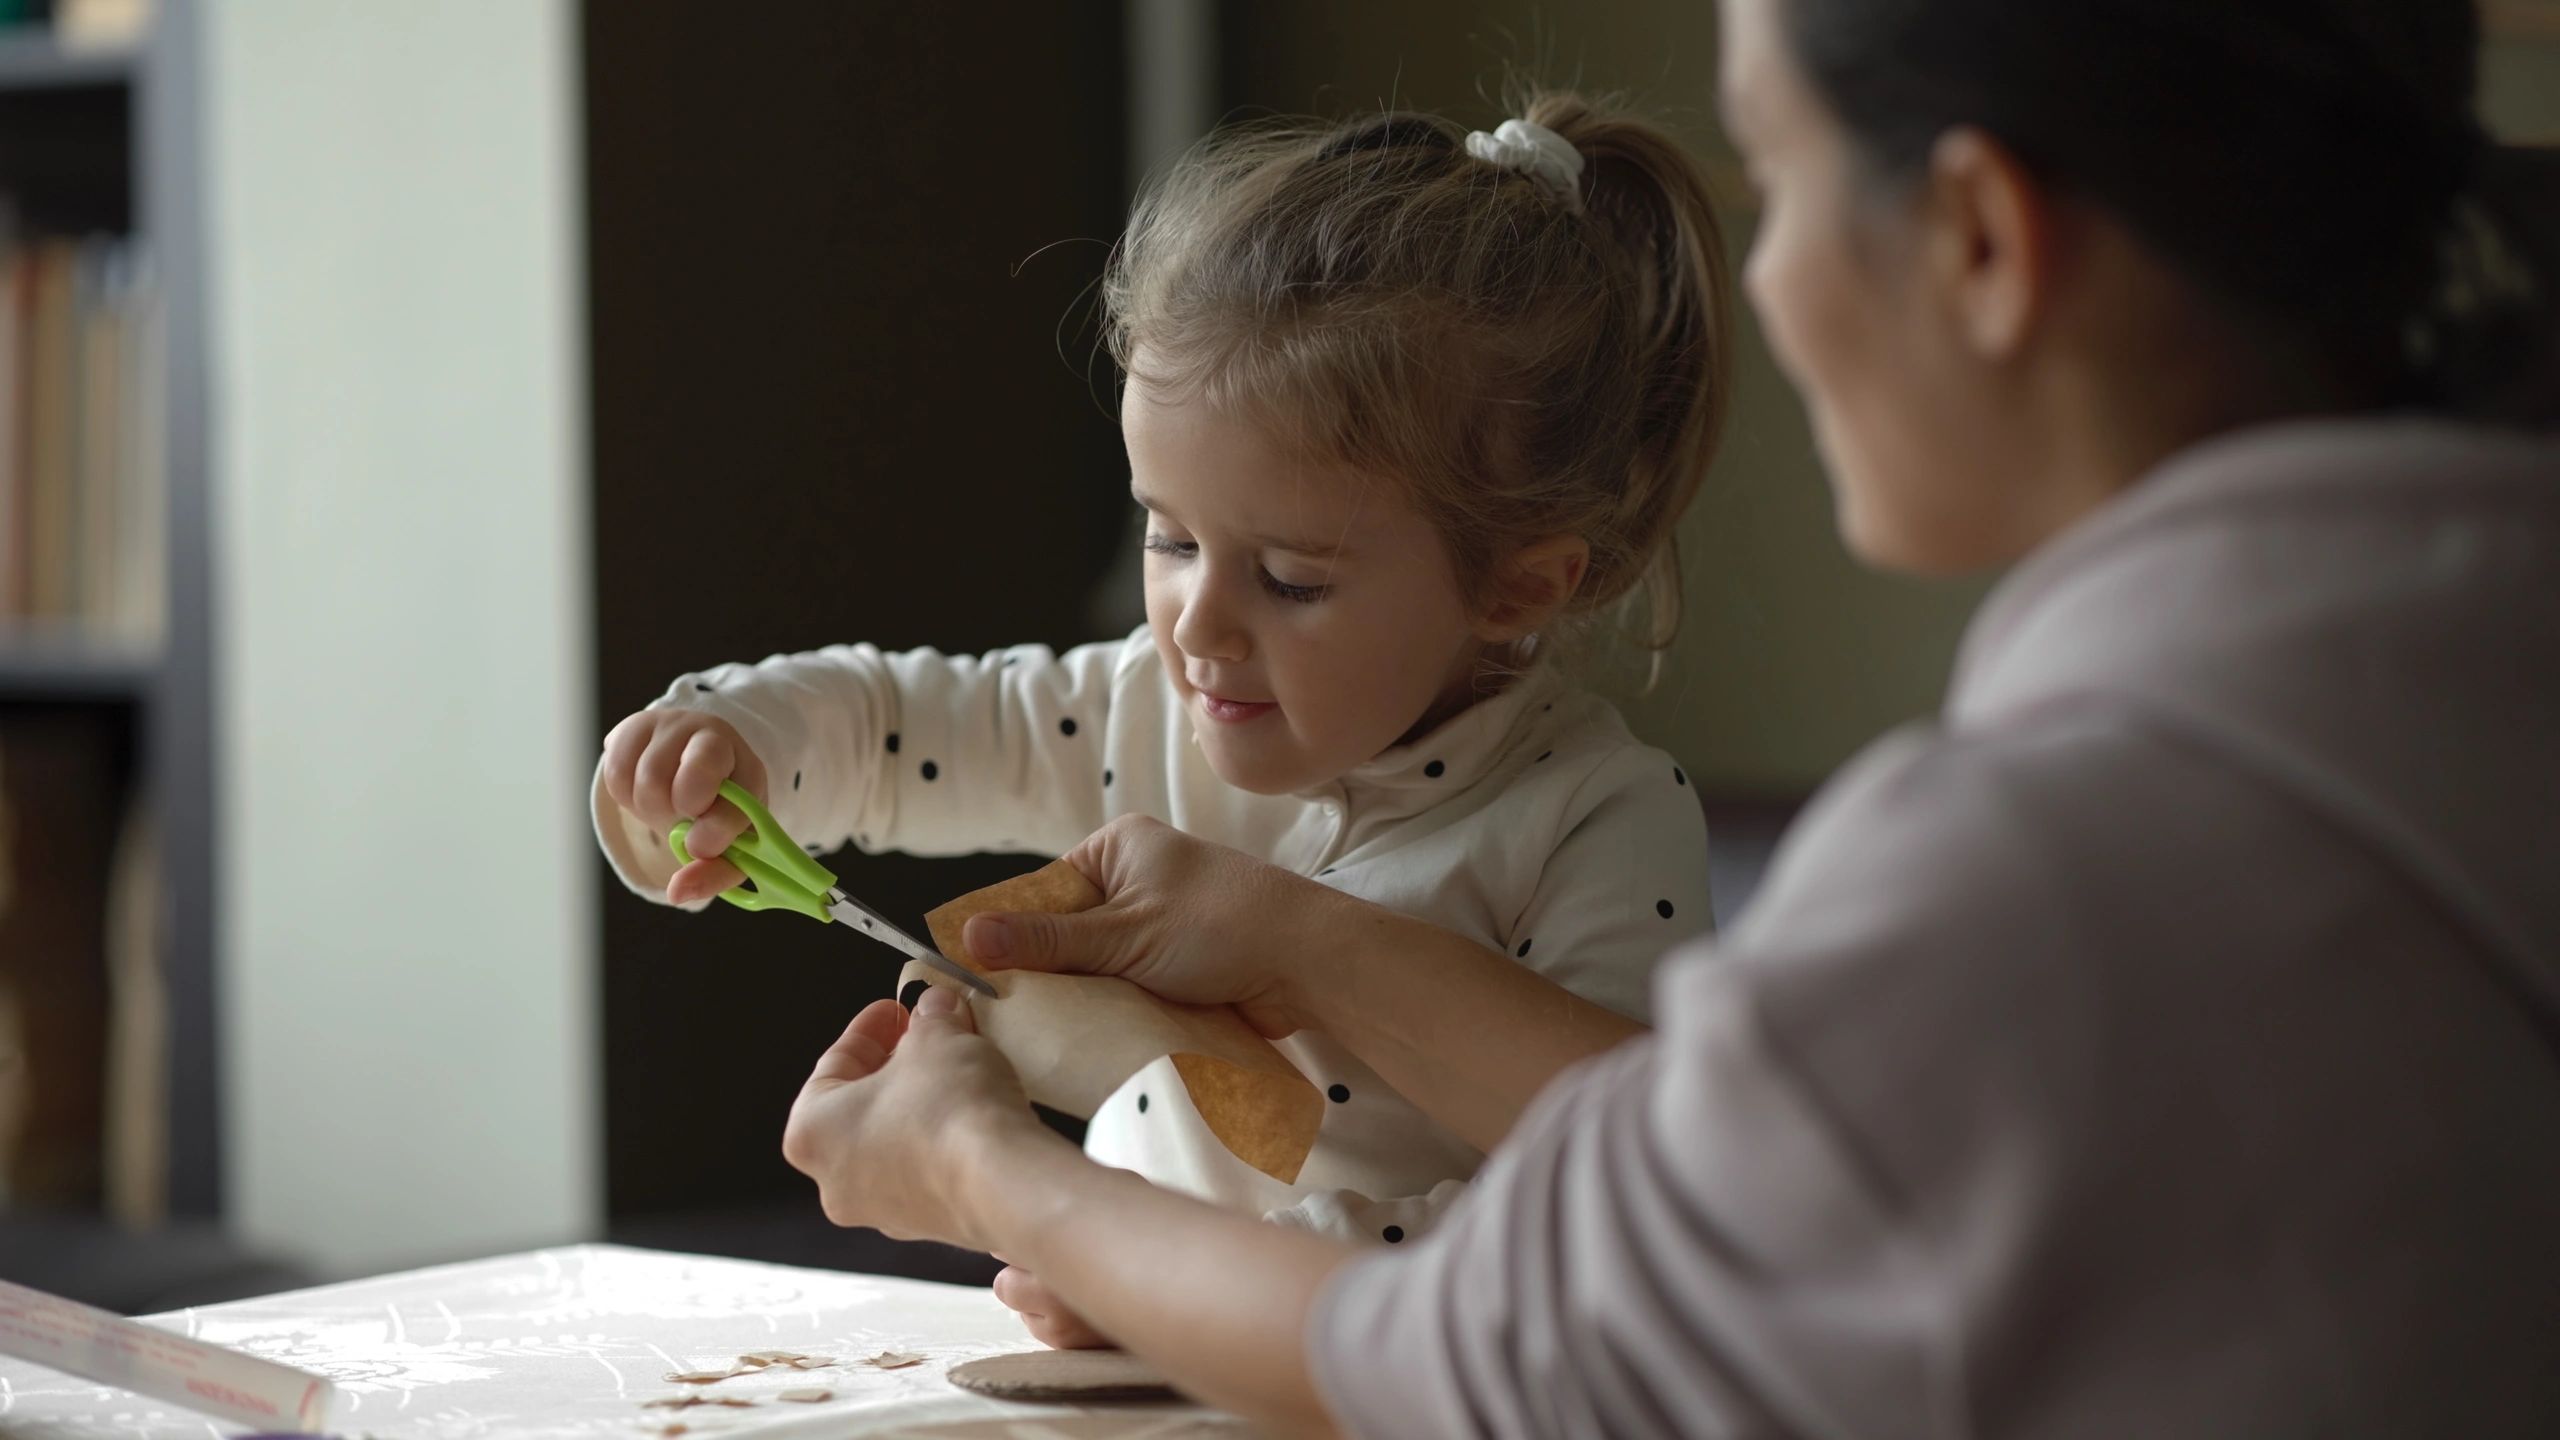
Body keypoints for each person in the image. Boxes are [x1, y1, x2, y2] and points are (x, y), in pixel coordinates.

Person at [774, 0, 2560, 1434]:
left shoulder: (2033, 874)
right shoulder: (2469, 694)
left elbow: (1487, 1371)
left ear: (1981, 239)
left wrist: (982, 1171)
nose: (1761, 291)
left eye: (1773, 184)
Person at [594, 93, 1736, 1342]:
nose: (1196, 622)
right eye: (1170, 536)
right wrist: (728, 743)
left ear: (1518, 581)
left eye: (1292, 578)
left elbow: (1597, 1213)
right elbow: (894, 726)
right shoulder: (1152, 702)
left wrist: (1180, 1277)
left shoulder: (1596, 819)